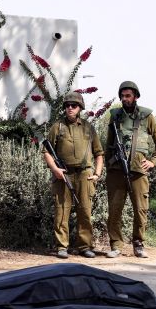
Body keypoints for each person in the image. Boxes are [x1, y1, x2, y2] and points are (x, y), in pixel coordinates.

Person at [104, 80, 156, 258]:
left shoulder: (147, 116)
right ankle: (115, 245)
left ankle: (138, 244)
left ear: (136, 96)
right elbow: (109, 144)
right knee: (115, 209)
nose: (125, 99)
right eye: (122, 96)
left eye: (128, 96)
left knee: (141, 209)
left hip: (138, 171)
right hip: (116, 171)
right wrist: (109, 164)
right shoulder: (115, 115)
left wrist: (153, 161)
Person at [43, 92, 104, 259]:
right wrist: (55, 169)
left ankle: (84, 246)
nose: (70, 108)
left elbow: (99, 153)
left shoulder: (88, 128)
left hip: (85, 174)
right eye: (67, 105)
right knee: (62, 212)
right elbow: (46, 151)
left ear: (80, 108)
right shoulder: (58, 127)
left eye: (74, 105)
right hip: (63, 174)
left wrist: (97, 174)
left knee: (85, 211)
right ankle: (62, 246)